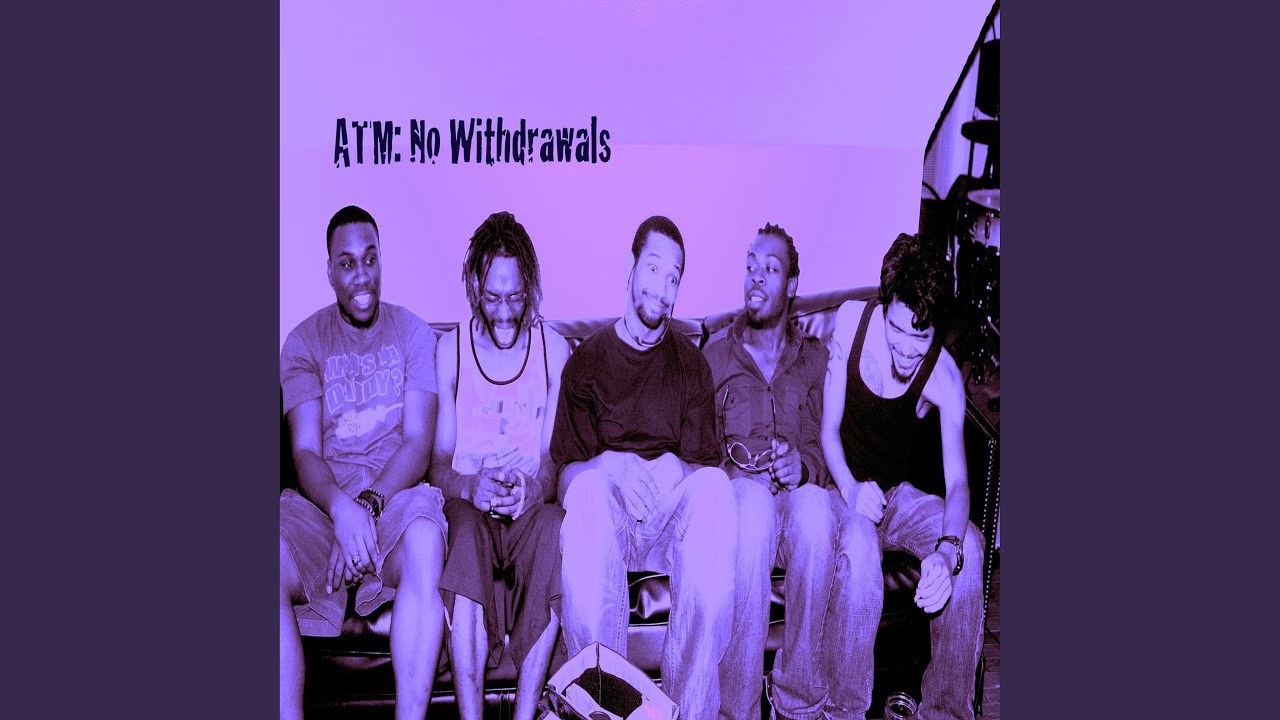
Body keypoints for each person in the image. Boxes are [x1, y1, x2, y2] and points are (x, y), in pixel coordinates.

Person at [551, 215, 736, 720]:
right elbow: (563, 481)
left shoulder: (691, 365)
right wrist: (607, 466)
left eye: (674, 277)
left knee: (715, 487)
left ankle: (689, 712)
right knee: (588, 492)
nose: (662, 287)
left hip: (668, 524)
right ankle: (601, 706)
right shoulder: (585, 363)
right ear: (630, 268)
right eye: (653, 269)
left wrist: (679, 468)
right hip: (605, 524)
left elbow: (707, 477)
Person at [279, 205, 447, 720]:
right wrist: (342, 510)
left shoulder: (413, 333)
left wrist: (367, 507)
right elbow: (305, 451)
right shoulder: (303, 342)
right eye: (348, 263)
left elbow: (417, 443)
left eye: (370, 259)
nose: (362, 275)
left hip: (392, 502)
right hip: (322, 510)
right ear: (330, 270)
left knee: (425, 541)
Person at [821, 232, 985, 720]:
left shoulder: (944, 377)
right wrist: (851, 488)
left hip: (897, 499)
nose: (909, 350)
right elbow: (828, 431)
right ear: (884, 303)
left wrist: (947, 552)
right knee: (860, 549)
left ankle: (946, 713)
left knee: (970, 547)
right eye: (898, 331)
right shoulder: (849, 323)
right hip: (841, 494)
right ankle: (844, 713)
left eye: (922, 338)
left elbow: (958, 485)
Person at [430, 211, 570, 720]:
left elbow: (555, 460)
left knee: (555, 526)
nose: (506, 312)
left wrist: (535, 488)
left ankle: (525, 715)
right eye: (493, 298)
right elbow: (437, 465)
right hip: (472, 509)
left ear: (530, 287)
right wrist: (470, 486)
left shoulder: (555, 350)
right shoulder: (451, 350)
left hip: (528, 513)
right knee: (464, 532)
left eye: (516, 297)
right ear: (474, 287)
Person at [704, 223, 839, 720]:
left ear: (792, 284)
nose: (755, 278)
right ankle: (736, 709)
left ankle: (797, 703)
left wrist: (802, 466)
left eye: (770, 268)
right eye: (750, 267)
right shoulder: (715, 355)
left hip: (796, 506)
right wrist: (735, 477)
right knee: (755, 506)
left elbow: (827, 445)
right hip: (744, 509)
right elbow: (697, 451)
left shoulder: (816, 360)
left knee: (817, 508)